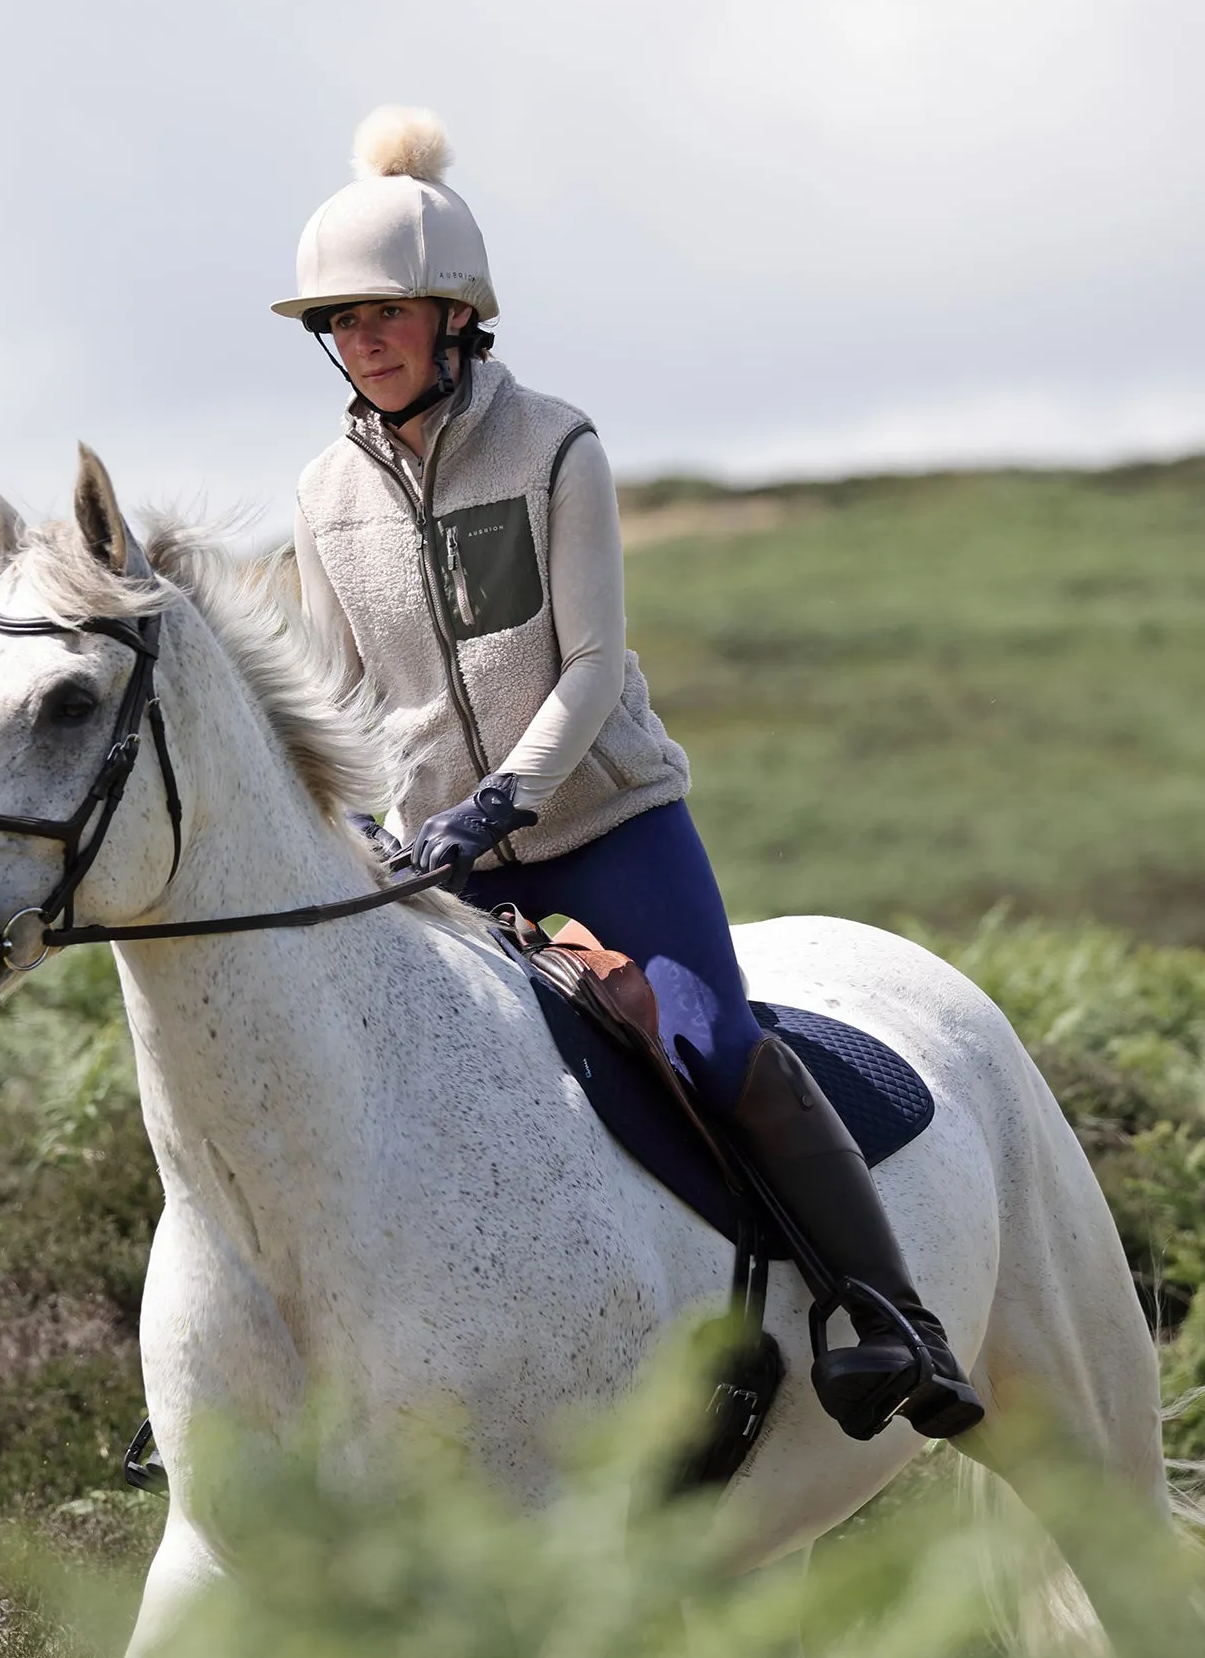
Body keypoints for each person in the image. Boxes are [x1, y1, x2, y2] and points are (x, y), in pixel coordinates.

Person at [275, 107, 981, 1443]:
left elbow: (590, 667)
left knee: (714, 1041)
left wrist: (502, 803)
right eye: (338, 323)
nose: (359, 342)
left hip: (602, 822)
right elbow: (337, 701)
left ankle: (887, 1313)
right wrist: (377, 827)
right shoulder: (321, 499)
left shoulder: (555, 448)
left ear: (453, 316)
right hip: (444, 856)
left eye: (382, 315)